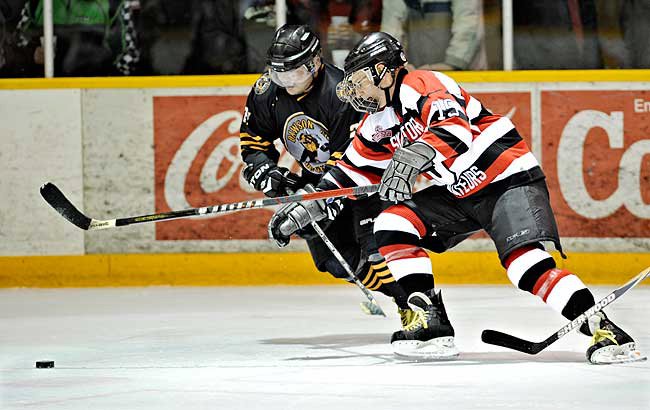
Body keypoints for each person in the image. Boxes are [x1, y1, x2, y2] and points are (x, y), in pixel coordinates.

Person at [269, 31, 645, 364]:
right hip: (455, 192)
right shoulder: (377, 122)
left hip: (505, 178)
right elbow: (349, 173)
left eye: (362, 80)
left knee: (525, 266)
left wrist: (412, 157)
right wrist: (309, 205)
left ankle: (600, 325)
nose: (357, 91)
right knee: (392, 222)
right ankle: (429, 319)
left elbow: (454, 130)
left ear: (384, 71)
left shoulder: (422, 82)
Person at [239, 24, 410, 317]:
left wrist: (317, 198)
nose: (285, 82)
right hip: (317, 180)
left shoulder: (343, 92)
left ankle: (416, 306)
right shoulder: (267, 92)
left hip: (362, 179)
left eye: (293, 73)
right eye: (278, 73)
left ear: (315, 63)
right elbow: (254, 141)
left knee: (378, 252)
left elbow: (352, 158)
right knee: (335, 260)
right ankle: (402, 298)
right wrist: (267, 173)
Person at [380, 0, 486, 70]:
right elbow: (391, 28)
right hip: (421, 75)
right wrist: (394, 62)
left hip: (467, 76)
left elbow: (468, 25)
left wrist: (452, 65)